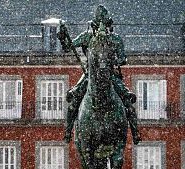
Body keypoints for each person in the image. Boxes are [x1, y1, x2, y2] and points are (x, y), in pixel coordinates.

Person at [59, 5, 141, 145]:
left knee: (127, 100)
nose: (101, 28)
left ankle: (135, 132)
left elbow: (122, 58)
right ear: (94, 25)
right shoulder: (87, 37)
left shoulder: (115, 40)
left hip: (110, 75)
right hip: (90, 75)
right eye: (99, 24)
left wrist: (114, 61)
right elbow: (69, 47)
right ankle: (68, 131)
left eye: (104, 24)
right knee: (74, 100)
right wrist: (62, 38)